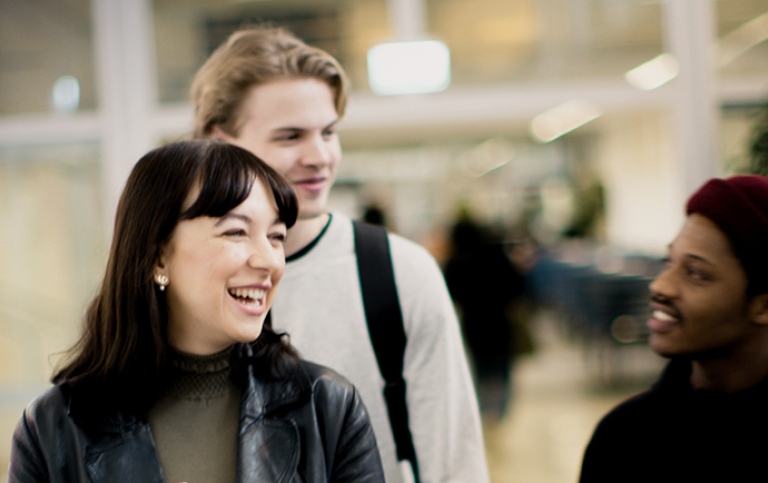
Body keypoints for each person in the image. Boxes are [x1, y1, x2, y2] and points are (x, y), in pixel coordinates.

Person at [191, 26, 488, 483]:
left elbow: (455, 465)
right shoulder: (183, 280)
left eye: (328, 132)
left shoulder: (398, 272)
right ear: (220, 140)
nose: (320, 156)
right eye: (290, 136)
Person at [8, 140, 384, 482]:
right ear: (158, 256)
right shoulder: (52, 427)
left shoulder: (328, 408)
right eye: (236, 232)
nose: (269, 260)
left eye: (276, 237)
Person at [579, 175, 768, 483]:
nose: (660, 286)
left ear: (763, 306)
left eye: (695, 273)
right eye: (668, 262)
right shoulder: (625, 437)